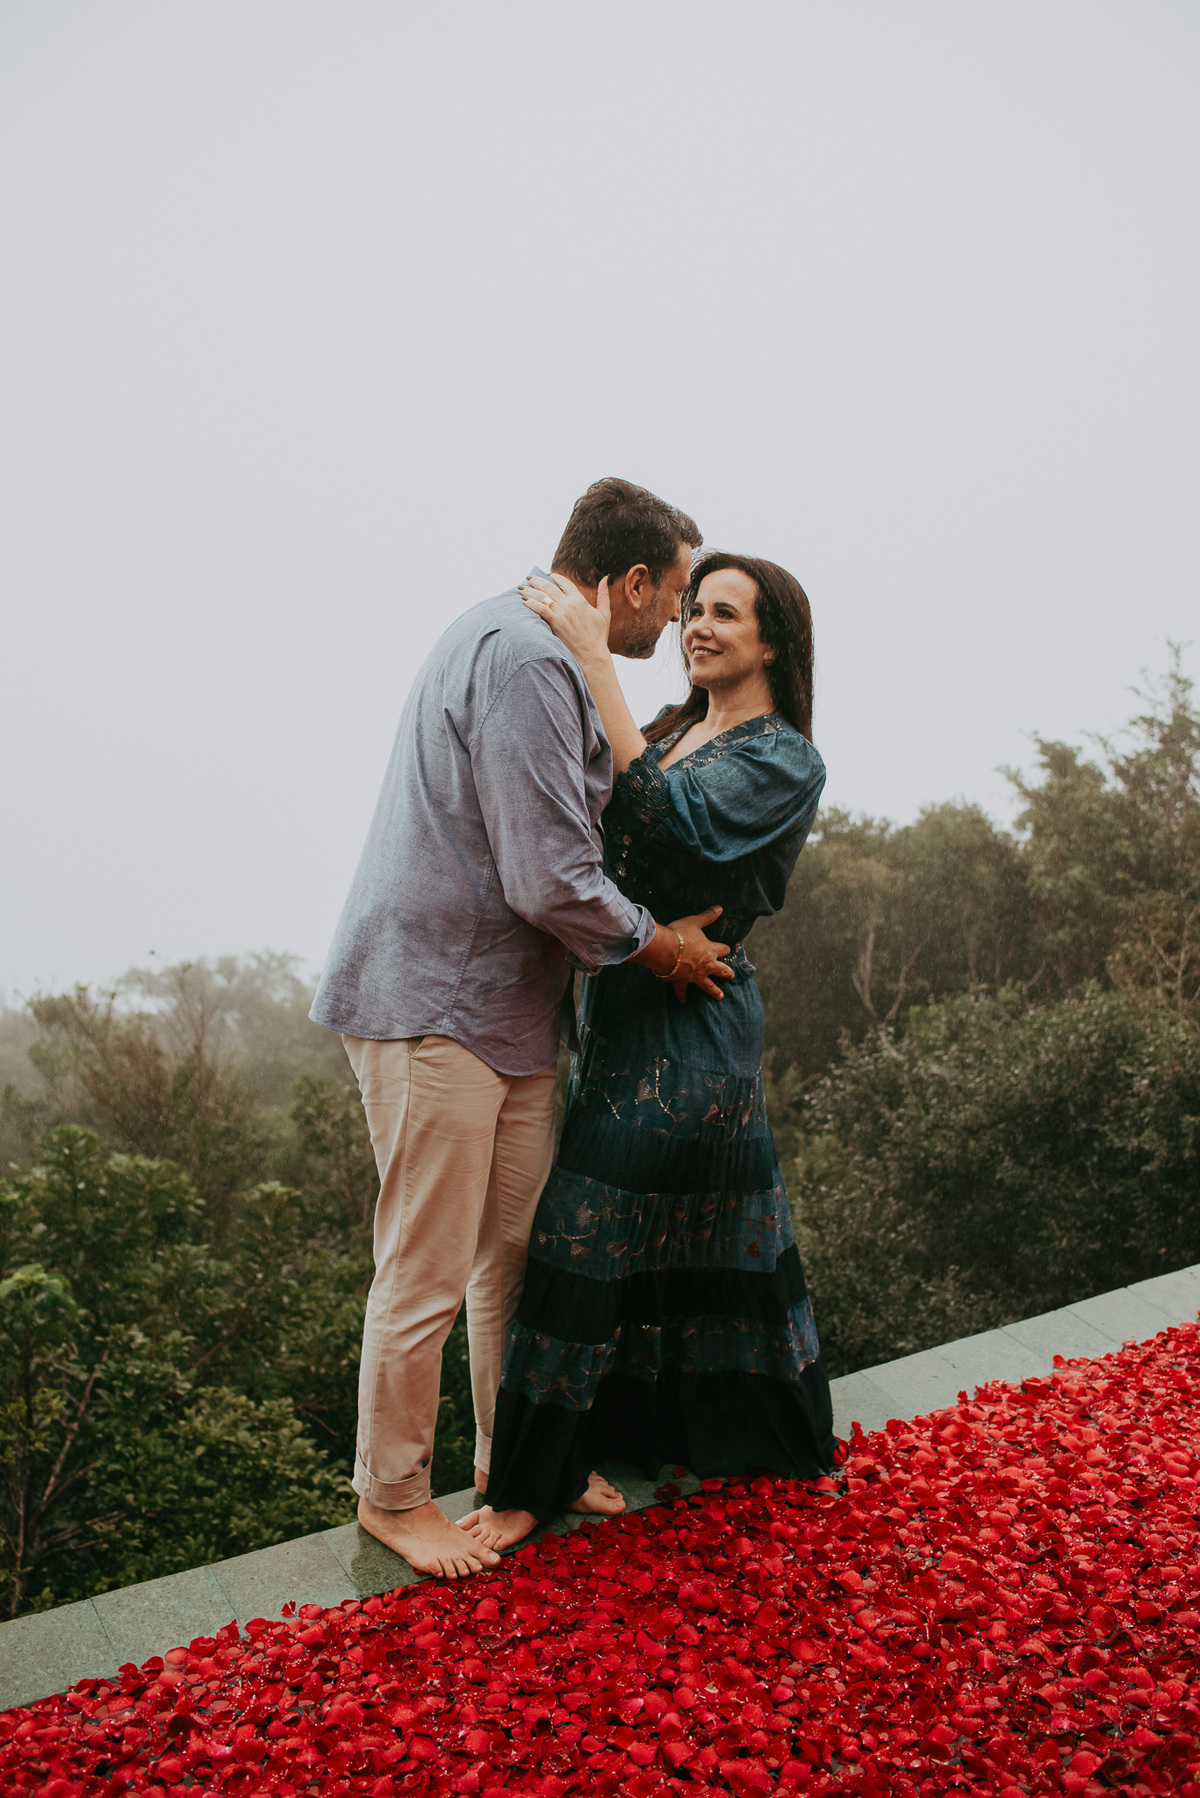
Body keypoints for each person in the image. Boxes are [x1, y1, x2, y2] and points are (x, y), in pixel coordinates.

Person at [309, 477, 737, 1579]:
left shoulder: (551, 651)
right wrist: (667, 947)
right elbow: (551, 878)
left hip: (510, 1011)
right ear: (631, 584)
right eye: (677, 595)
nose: (680, 621)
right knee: (426, 1270)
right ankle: (392, 1495)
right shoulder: (525, 657)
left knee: (515, 1261)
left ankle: (523, 1467)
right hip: (432, 1005)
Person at [461, 550, 835, 1551]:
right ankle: (666, 1438)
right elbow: (598, 829)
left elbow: (668, 827)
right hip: (626, 1007)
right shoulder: (672, 730)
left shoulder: (786, 758)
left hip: (696, 1023)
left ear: (772, 641)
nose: (700, 625)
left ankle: (524, 1489)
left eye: (726, 612)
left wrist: (595, 660)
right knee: (667, 1234)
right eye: (695, 608)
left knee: (581, 1233)